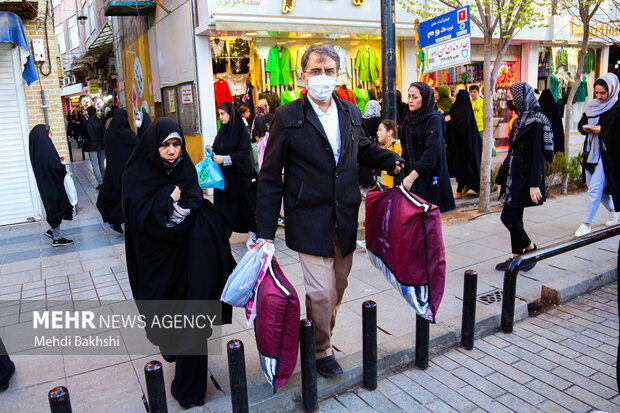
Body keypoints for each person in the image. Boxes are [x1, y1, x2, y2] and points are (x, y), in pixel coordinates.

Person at [256, 44, 403, 378]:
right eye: (316, 71)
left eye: (329, 71)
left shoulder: (350, 112)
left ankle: (316, 333)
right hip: (308, 217)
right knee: (321, 293)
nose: (322, 78)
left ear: (338, 75)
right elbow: (269, 176)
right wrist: (264, 234)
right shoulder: (288, 116)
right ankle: (321, 350)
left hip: (346, 216)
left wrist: (390, 160)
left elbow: (363, 151)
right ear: (302, 75)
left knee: (337, 288)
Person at [122, 118, 234, 408]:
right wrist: (165, 200)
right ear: (154, 146)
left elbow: (195, 199)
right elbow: (138, 220)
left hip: (189, 262)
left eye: (176, 144)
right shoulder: (137, 174)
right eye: (165, 145)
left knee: (193, 326)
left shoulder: (184, 169)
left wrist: (184, 204)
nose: (172, 151)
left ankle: (190, 391)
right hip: (156, 264)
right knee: (168, 329)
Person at [495, 82, 553, 272]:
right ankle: (516, 257)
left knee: (507, 216)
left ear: (521, 100)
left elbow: (537, 155)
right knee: (515, 216)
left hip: (526, 178)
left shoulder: (535, 121)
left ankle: (530, 248)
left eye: (513, 98)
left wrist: (534, 183)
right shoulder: (520, 120)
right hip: (514, 176)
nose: (510, 101)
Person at [574, 73, 620, 236]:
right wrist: (586, 128)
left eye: (603, 93)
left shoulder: (617, 107)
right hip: (590, 152)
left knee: (594, 189)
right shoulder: (591, 106)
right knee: (591, 186)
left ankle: (586, 224)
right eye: (597, 92)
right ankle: (614, 211)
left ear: (612, 90)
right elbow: (580, 126)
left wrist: (602, 130)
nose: (599, 96)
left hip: (608, 155)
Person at [401, 82, 455, 212]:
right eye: (409, 96)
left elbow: (431, 153)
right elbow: (406, 148)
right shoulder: (409, 118)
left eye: (415, 97)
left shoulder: (434, 119)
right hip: (413, 180)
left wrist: (411, 177)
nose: (410, 101)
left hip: (430, 180)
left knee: (429, 222)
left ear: (424, 99)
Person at [210, 102, 258, 247]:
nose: (220, 117)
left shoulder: (240, 131)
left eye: (223, 114)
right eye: (219, 114)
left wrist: (224, 159)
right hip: (225, 180)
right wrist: (212, 149)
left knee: (245, 209)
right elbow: (220, 147)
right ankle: (222, 236)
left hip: (240, 179)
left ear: (231, 114)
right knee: (222, 208)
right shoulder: (223, 131)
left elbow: (244, 155)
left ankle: (253, 232)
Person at [28, 125, 73, 246]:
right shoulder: (45, 146)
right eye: (48, 131)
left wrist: (57, 159)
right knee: (57, 206)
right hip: (52, 183)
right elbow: (53, 165)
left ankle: (52, 231)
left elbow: (47, 161)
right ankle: (57, 238)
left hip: (46, 182)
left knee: (56, 205)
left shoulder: (38, 147)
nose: (50, 133)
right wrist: (61, 167)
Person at [97, 108, 138, 234]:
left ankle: (115, 219)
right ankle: (117, 218)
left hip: (111, 170)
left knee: (115, 195)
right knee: (127, 196)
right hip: (125, 171)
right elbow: (138, 145)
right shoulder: (125, 133)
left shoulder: (109, 133)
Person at [445, 89, 482, 198]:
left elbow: (461, 128)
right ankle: (464, 187)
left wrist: (449, 122)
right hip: (460, 146)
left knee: (463, 167)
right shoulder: (459, 108)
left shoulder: (463, 110)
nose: (452, 98)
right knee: (462, 168)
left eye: (454, 96)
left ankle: (460, 190)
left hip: (464, 147)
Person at [82, 106, 106, 189]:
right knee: (101, 163)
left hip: (91, 145)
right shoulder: (100, 122)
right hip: (101, 144)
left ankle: (100, 182)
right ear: (95, 112)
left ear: (88, 113)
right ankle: (105, 181)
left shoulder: (84, 124)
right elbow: (104, 133)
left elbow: (82, 136)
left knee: (94, 164)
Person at [469, 85, 494, 156]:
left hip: (482, 128)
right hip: (473, 129)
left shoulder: (483, 101)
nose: (473, 94)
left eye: (474, 92)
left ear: (478, 92)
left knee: (484, 147)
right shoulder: (469, 103)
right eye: (471, 92)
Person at [538, 89, 565, 154]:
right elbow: (558, 123)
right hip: (555, 134)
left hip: (542, 135)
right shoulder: (555, 107)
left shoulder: (539, 106)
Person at [377, 119, 402, 188]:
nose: (377, 133)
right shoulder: (381, 148)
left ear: (389, 132)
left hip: (395, 189)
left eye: (380, 130)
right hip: (384, 188)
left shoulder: (399, 147)